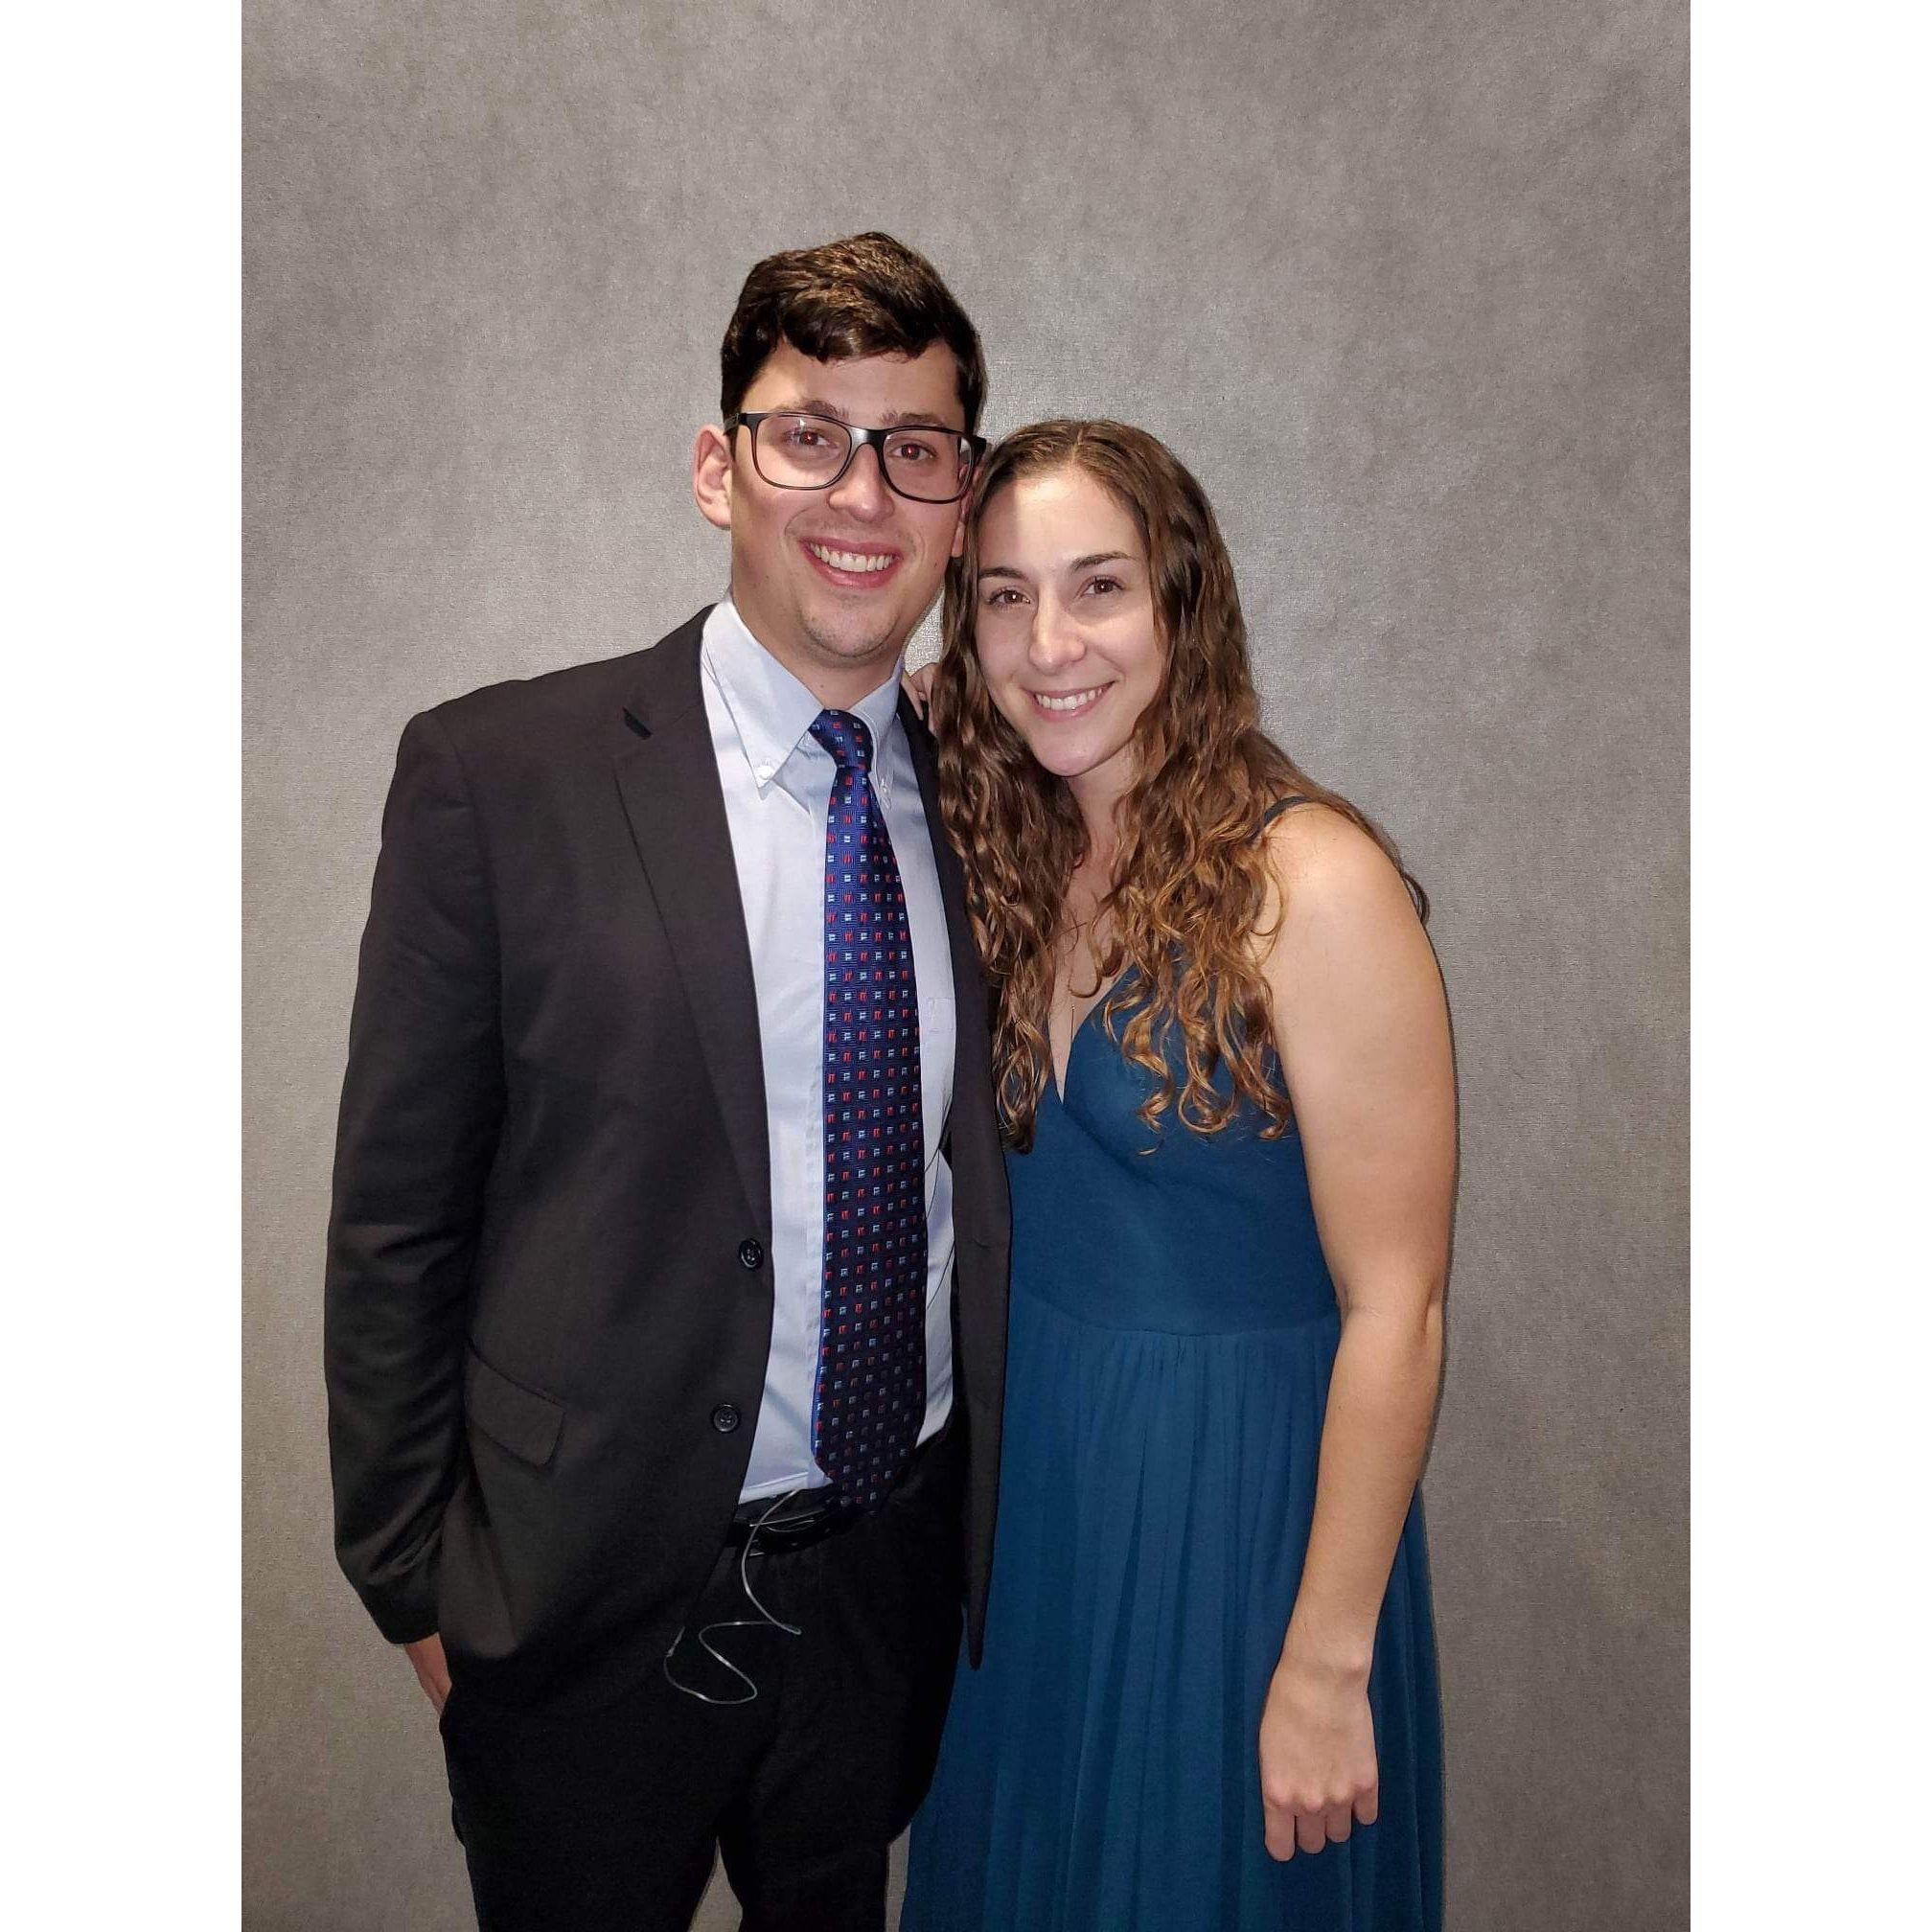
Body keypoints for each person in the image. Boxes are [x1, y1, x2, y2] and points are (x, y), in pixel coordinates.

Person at [323, 231, 1011, 1932]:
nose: (863, 492)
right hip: (578, 1608)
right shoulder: (500, 775)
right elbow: (398, 1220)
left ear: (962, 500)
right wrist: (417, 1587)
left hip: (883, 1589)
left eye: (916, 447)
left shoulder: (1003, 802)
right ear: (720, 468)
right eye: (809, 435)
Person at [899, 421, 1451, 1930]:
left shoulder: (1313, 882)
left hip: (1240, 1526)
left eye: (1101, 588)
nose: (1050, 642)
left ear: (1183, 604)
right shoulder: (1011, 850)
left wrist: (1326, 1664)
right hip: (1035, 1515)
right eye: (1005, 597)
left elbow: (1399, 1310)